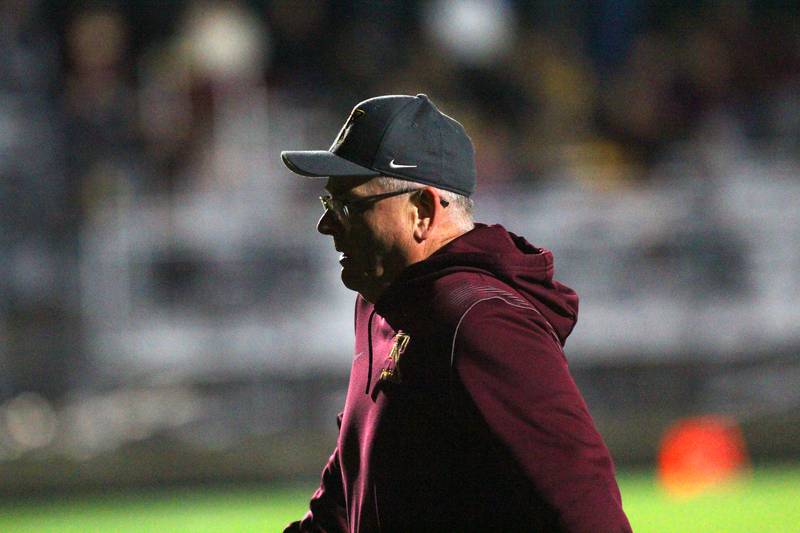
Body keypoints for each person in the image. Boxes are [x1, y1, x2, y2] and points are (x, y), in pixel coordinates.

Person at [281, 94, 631, 532]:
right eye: (327, 205)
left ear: (422, 212)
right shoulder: (378, 304)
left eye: (348, 206)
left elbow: (586, 507)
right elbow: (348, 485)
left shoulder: (480, 321)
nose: (326, 225)